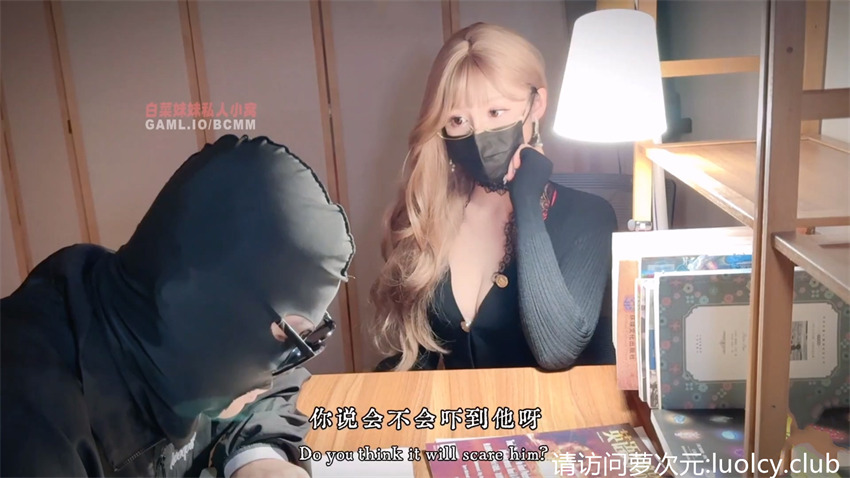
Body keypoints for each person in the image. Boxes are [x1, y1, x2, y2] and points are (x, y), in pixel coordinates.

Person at [1, 135, 355, 477]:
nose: (277, 367)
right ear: (207, 307)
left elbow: (274, 387)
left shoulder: (158, 313)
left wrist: (259, 460)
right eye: (286, 335)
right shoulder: (31, 428)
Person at [370, 22, 617, 372]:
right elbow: (417, 358)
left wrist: (526, 203)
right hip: (461, 408)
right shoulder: (423, 218)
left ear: (536, 105)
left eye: (495, 112)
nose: (479, 135)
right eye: (458, 120)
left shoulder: (590, 216)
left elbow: (558, 350)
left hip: (556, 408)